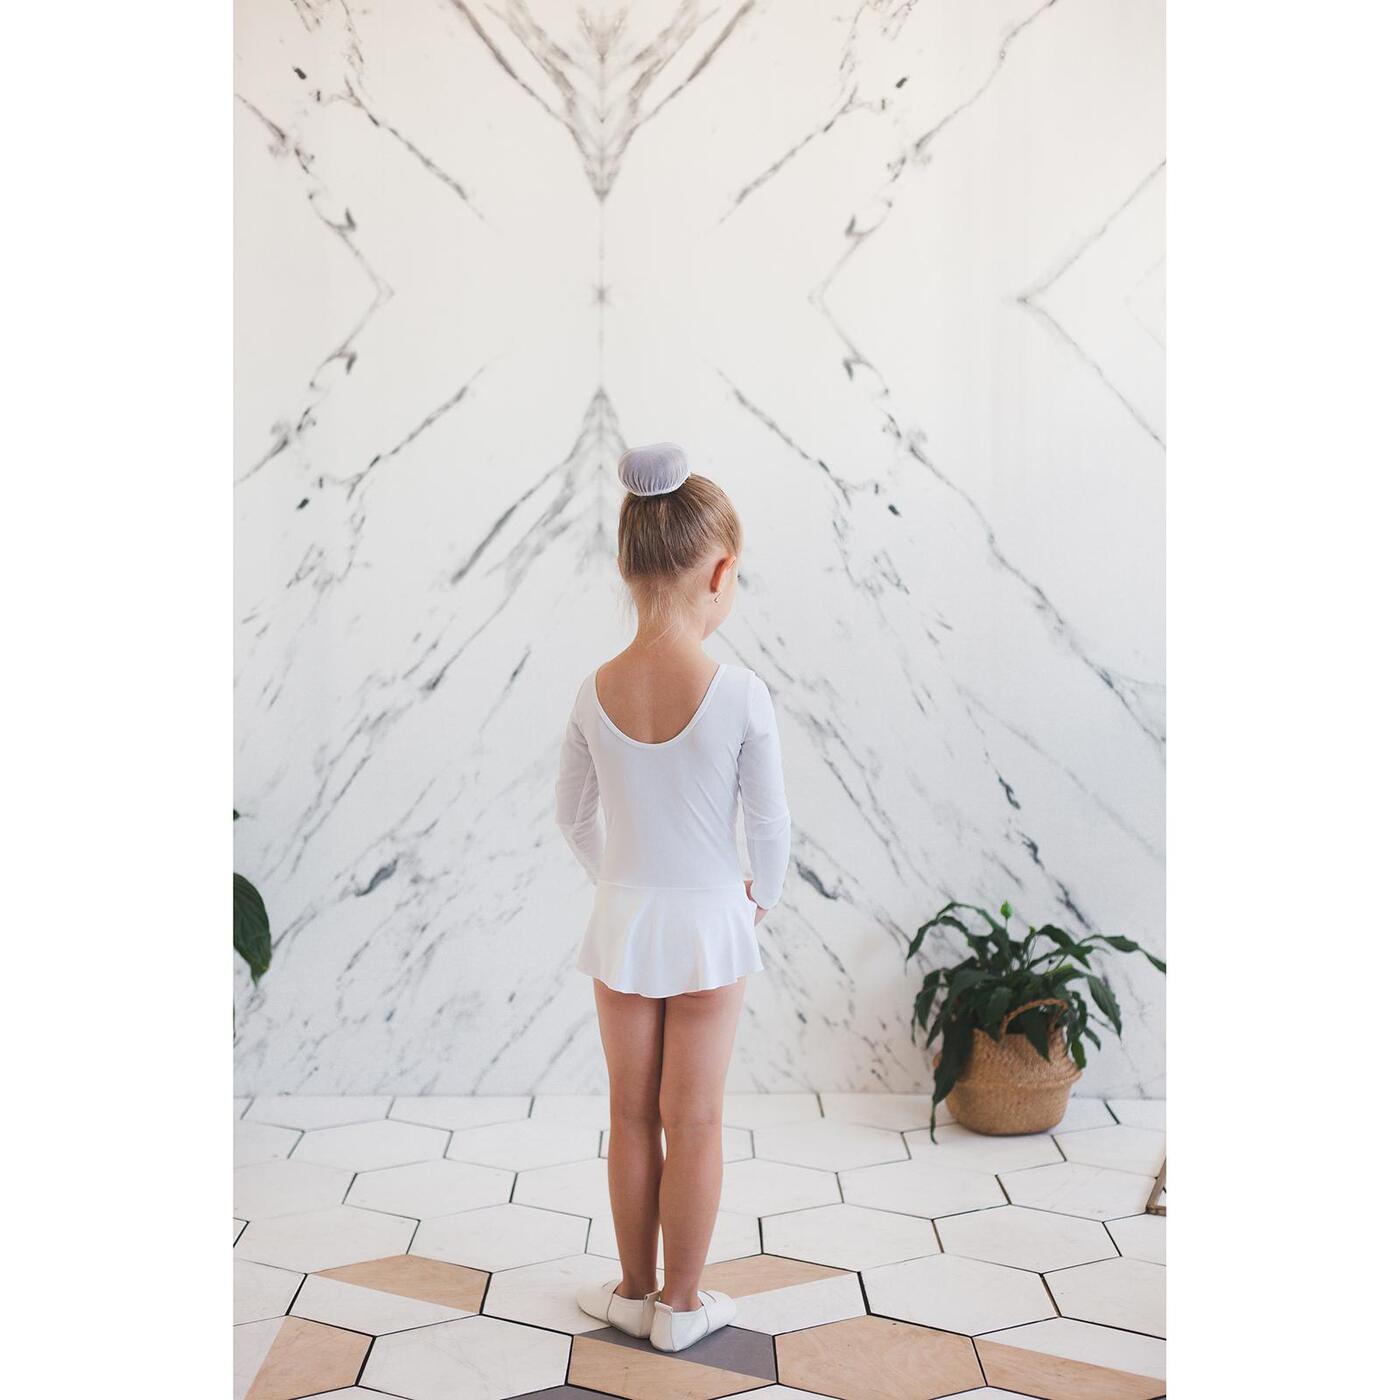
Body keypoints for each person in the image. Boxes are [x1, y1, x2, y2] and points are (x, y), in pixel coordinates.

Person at [554, 442, 791, 1353]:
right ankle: (681, 1307)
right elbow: (768, 825)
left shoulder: (595, 689)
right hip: (709, 929)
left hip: (623, 923)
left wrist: (617, 881)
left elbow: (572, 815)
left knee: (630, 1116)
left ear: (627, 565)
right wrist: (757, 900)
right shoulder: (742, 693)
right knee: (694, 1120)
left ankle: (631, 1289)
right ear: (720, 573)